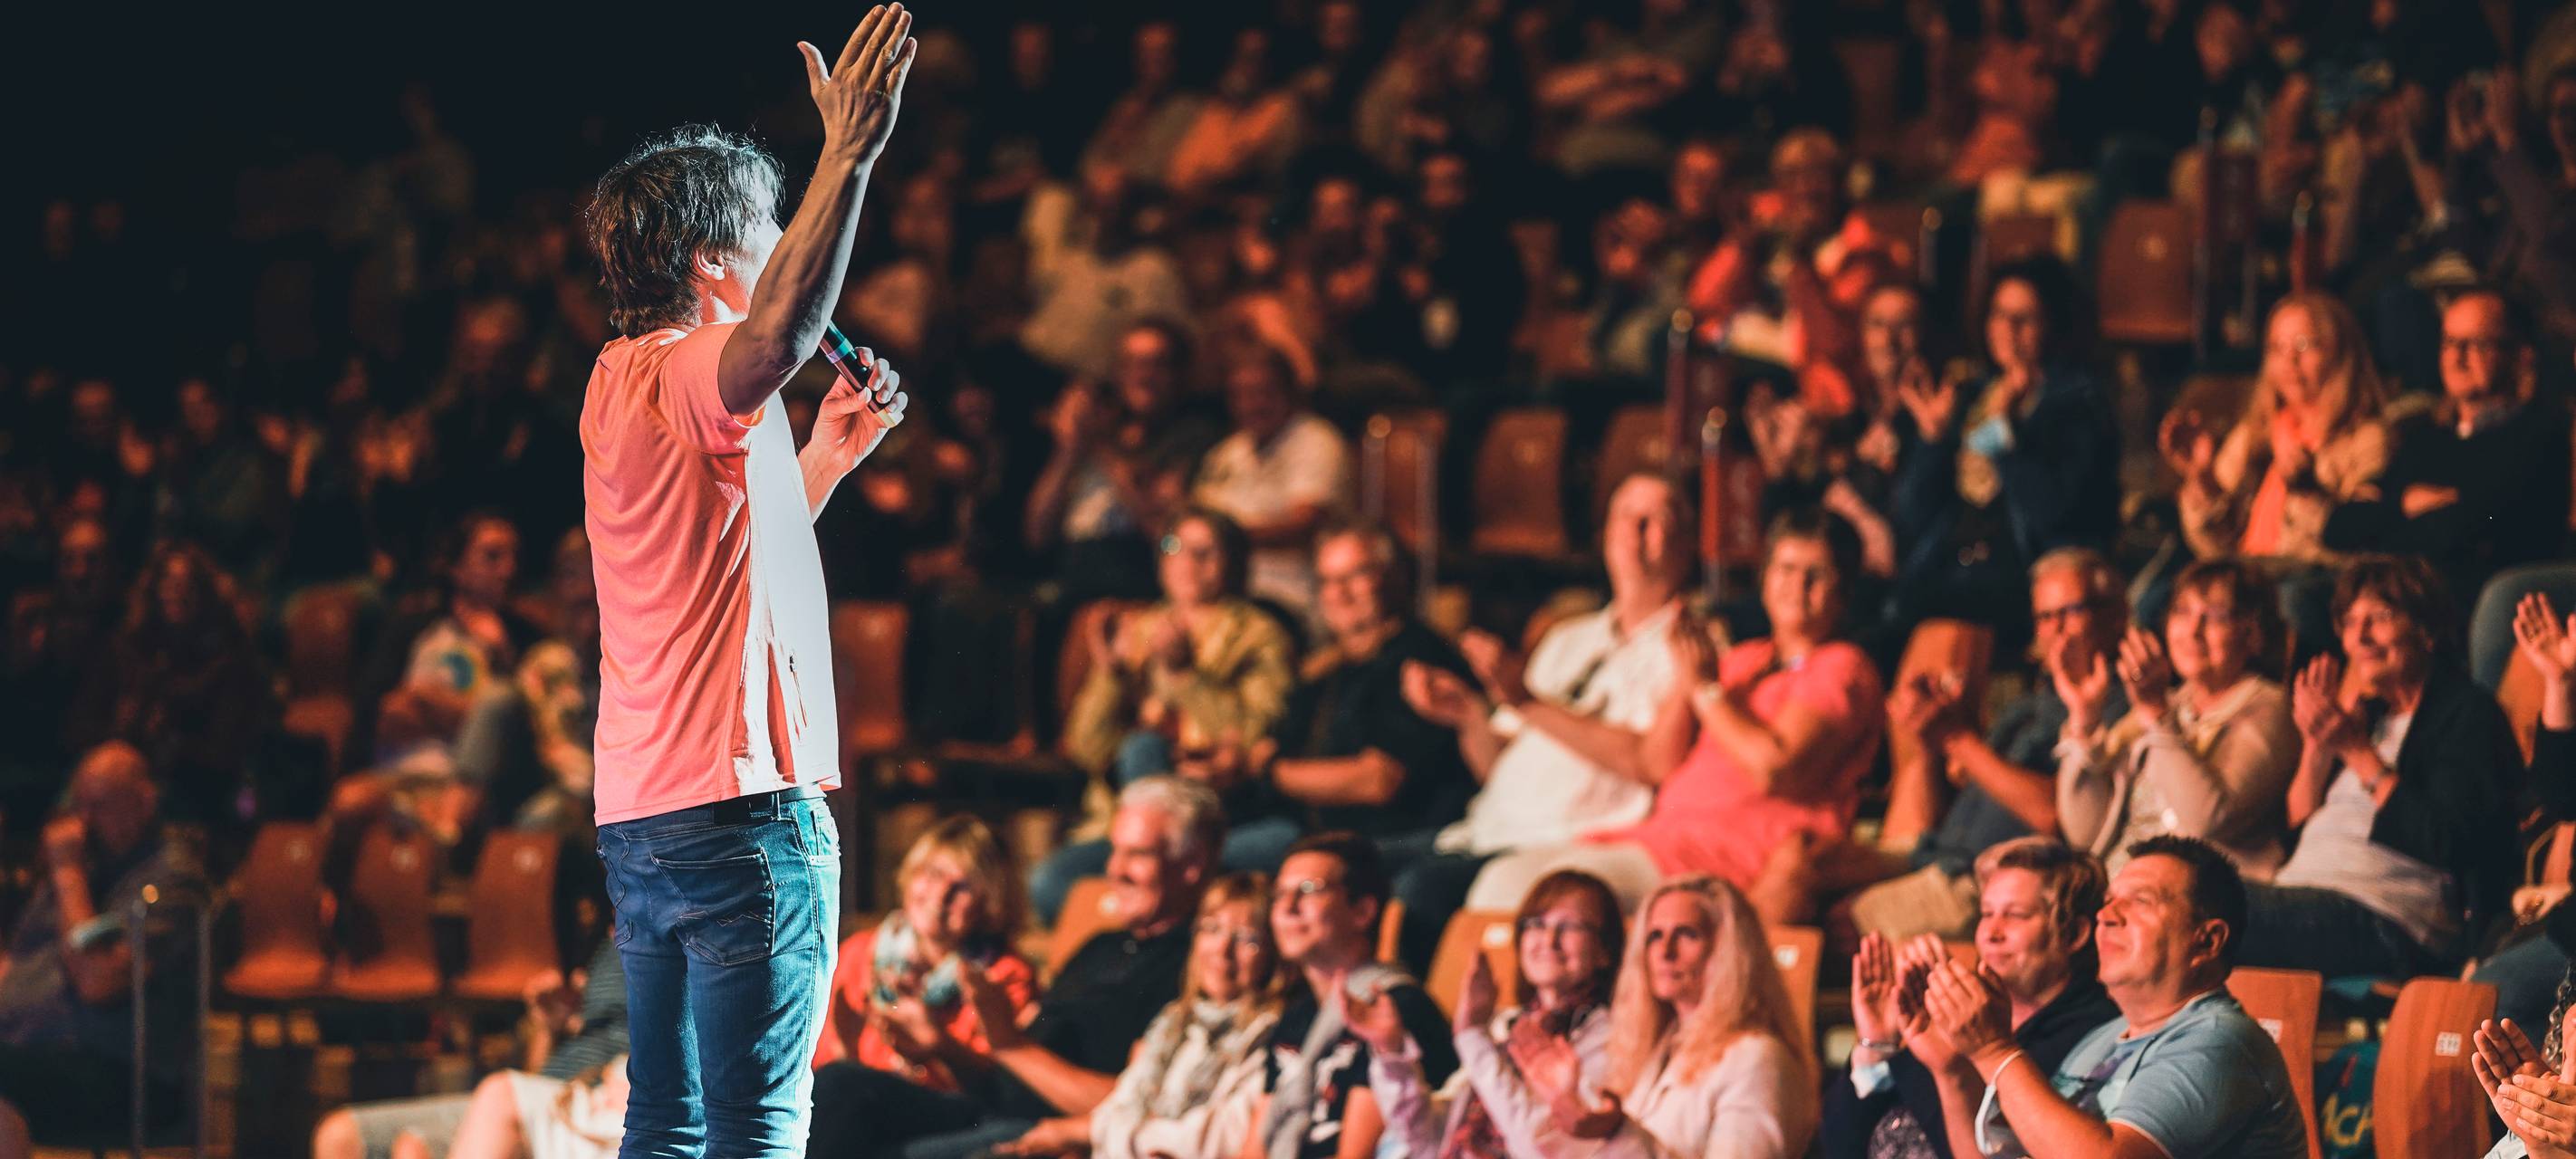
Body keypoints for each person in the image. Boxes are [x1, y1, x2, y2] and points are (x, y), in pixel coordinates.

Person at [578, 7, 917, 1151]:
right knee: (757, 1131)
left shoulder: (619, 378)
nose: (790, 245)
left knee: (666, 1124)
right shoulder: (691, 364)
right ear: (712, 263)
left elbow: (717, 562)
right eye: (774, 227)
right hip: (738, 815)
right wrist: (851, 152)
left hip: (646, 814)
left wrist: (824, 457)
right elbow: (780, 327)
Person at [1461, 508, 1886, 922]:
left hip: (1726, 862)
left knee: (1531, 898)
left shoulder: (1841, 666)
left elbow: (1775, 769)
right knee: (1497, 881)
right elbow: (1657, 760)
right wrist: (1694, 684)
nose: (1798, 585)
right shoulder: (1741, 660)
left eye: (1817, 574)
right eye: (1786, 569)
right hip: (1653, 840)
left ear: (1844, 590)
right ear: (1765, 577)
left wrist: (1704, 689)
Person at [808, 776, 1219, 1159]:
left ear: (1192, 864)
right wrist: (944, 1046)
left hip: (1045, 1125)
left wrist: (1011, 1045)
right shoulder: (1101, 947)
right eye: (1115, 851)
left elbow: (1144, 1100)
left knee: (851, 1107)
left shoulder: (1196, 967)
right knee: (842, 1088)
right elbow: (998, 1077)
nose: (1114, 870)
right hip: (987, 1105)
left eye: (1138, 854)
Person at [1391, 473, 1685, 966]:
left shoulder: (1691, 647)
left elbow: (1650, 761)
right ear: (1605, 535)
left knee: (1419, 892)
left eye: (1657, 519)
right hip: (1481, 830)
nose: (1638, 531)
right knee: (1343, 866)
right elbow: (1495, 765)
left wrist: (1527, 700)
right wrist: (1466, 712)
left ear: (1686, 543)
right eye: (1626, 516)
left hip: (1561, 841)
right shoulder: (1567, 638)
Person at [1916, 835, 2307, 1159]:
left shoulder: (2220, 1042)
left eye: (2139, 900)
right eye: (2109, 901)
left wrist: (1995, 1050)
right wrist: (1952, 1071)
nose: (2107, 916)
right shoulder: (2102, 1039)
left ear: (2206, 940)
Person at [2240, 555, 2521, 977]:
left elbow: (2447, 840)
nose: (2361, 637)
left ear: (2427, 631)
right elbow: (2298, 829)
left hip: (2390, 920)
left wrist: (2356, 754)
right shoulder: (2368, 718)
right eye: (2351, 623)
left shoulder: (2468, 714)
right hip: (2304, 897)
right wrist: (2318, 746)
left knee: (2203, 902)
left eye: (2380, 617)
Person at [1847, 548, 2129, 941]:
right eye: (2045, 617)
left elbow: (2057, 817)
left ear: (2117, 616)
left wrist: (1956, 737)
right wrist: (1930, 741)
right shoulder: (2027, 705)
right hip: (1939, 855)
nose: (2056, 630)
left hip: (1990, 884)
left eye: (2072, 612)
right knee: (1806, 864)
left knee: (1837, 923)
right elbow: (1940, 815)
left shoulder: (2122, 707)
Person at [1033, 507, 1296, 925]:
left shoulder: (1260, 635)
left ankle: (1165, 887)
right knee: (1049, 882)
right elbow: (1087, 747)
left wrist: (1185, 675)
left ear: (1234, 562)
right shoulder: (1140, 629)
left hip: (1218, 812)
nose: (1187, 563)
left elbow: (1252, 737)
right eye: (1175, 548)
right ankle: (1155, 875)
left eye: (1204, 552)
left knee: (1146, 748)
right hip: (1129, 828)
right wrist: (1113, 676)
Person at [1827, 838, 2118, 1159]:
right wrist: (1877, 1045)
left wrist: (1947, 1062)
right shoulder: (1962, 1012)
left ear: (2075, 933)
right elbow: (1839, 1149)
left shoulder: (2092, 1037)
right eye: (1986, 913)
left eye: (2016, 915)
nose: (1991, 933)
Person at [1888, 258, 2119, 648]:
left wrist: (2006, 434)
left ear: (2052, 324)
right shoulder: (1971, 394)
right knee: (1889, 604)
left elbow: (2052, 512)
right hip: (1953, 561)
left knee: (1910, 614)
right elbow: (1911, 517)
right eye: (1998, 315)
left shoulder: (2078, 403)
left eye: (2024, 318)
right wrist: (1933, 438)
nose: (2007, 331)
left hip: (2025, 573)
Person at [2327, 289, 2571, 650]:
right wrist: (2403, 508)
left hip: (2467, 595)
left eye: (2477, 344)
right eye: (2449, 343)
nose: (2456, 358)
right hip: (2400, 593)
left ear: (2519, 355)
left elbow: (2468, 527)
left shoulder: (2539, 435)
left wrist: (2386, 517)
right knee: (2303, 595)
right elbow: (2338, 526)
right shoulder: (2423, 438)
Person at [1511, 876, 1816, 1158]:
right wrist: (1562, 1106)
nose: (1665, 951)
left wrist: (1617, 1130)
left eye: (1687, 934)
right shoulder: (1657, 1047)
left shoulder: (1756, 1058)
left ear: (1729, 950)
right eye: (1655, 936)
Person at [990, 873, 1289, 1159]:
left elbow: (1211, 1137)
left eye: (1247, 939)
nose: (1222, 949)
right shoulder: (1174, 1020)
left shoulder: (1271, 1033)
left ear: (1274, 954)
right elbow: (1123, 1103)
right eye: (1211, 929)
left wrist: (1088, 1134)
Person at [0, 742, 206, 1147]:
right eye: (80, 806)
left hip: (116, 1071)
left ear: (145, 802)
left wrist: (67, 873)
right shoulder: (87, 866)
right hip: (29, 1051)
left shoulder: (170, 880)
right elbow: (17, 961)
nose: (84, 822)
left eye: (101, 806)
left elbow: (98, 982)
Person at [2052, 558, 2299, 876]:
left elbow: (2207, 818)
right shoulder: (2170, 702)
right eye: (2182, 611)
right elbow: (2084, 833)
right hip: (2120, 881)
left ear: (2253, 633)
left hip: (2196, 898)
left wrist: (2156, 714)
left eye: (2215, 617)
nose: (2193, 631)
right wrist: (2084, 719)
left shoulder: (2269, 708)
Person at [1356, 869, 1622, 1159]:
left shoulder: (1609, 1037)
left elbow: (1543, 1146)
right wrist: (1392, 1054)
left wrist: (1472, 1037)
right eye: (1535, 924)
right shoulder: (1506, 1025)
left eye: (1570, 926)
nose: (1548, 939)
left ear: (1604, 951)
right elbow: (1426, 1144)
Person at [1239, 832, 1456, 1159]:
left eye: (1308, 891)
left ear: (1363, 912)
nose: (1287, 908)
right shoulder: (1296, 1017)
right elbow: (1254, 1151)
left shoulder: (1395, 1008)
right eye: (1279, 893)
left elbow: (1356, 1156)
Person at [316, 936, 630, 1159]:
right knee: (339, 1136)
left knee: (415, 1148)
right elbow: (536, 1072)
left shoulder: (664, 939)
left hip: (594, 1106)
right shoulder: (598, 943)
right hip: (542, 1096)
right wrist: (548, 1027)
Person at [813, 818, 1038, 1089]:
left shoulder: (1004, 974)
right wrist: (844, 1052)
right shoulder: (859, 951)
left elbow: (1002, 1092)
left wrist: (940, 1045)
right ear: (909, 876)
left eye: (963, 886)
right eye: (933, 874)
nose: (941, 895)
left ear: (991, 901)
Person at [1190, 344, 1354, 626]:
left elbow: (1305, 525)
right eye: (1238, 394)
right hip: (1217, 597)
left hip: (1290, 600)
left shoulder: (1317, 441)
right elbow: (1187, 528)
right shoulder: (1225, 454)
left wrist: (1223, 540)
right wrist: (1172, 541)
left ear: (1290, 392)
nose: (1249, 405)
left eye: (1261, 392)